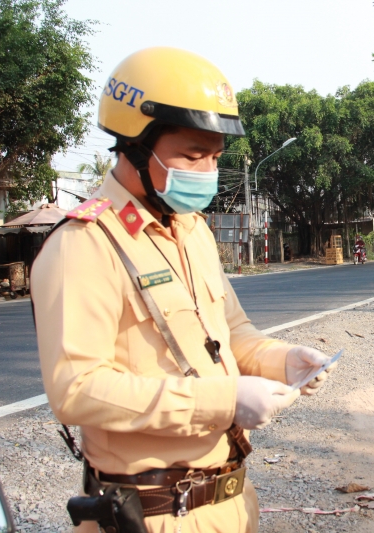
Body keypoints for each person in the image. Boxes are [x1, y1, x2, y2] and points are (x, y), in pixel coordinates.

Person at [31, 47, 337, 533]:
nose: (207, 172)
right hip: (149, 515)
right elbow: (77, 390)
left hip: (231, 503)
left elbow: (230, 332)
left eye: (214, 157)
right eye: (192, 156)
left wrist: (282, 358)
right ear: (134, 147)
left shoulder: (193, 230)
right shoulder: (85, 244)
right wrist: (224, 401)